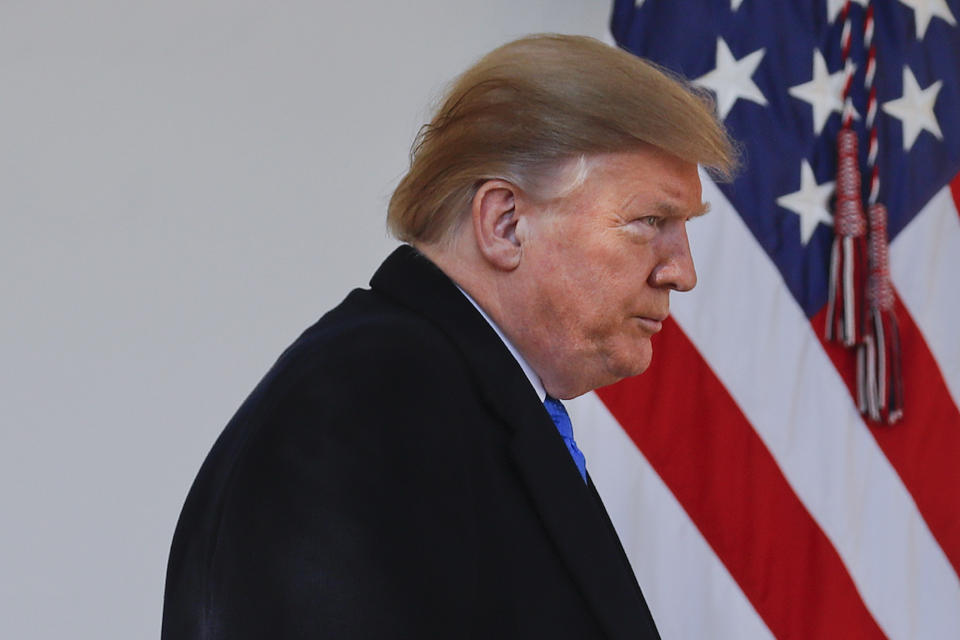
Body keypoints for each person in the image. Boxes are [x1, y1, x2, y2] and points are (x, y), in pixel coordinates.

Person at [161, 33, 736, 639]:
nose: (683, 272)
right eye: (650, 221)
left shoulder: (447, 390)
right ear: (505, 224)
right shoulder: (372, 400)